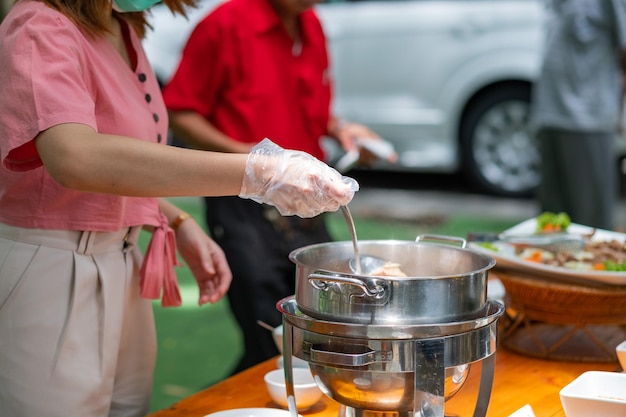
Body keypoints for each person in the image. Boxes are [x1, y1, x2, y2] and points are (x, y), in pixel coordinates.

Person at [0, 1, 359, 416]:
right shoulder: (38, 24)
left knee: (127, 407)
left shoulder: (123, 27)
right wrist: (257, 171)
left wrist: (174, 218)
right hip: (54, 263)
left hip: (123, 255)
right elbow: (75, 157)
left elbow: (122, 162)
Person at [162, 0, 394, 373]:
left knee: (322, 320)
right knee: (266, 332)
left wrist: (340, 129)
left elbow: (307, 106)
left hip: (306, 201)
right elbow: (181, 110)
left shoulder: (310, 23)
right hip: (244, 200)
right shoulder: (225, 24)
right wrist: (254, 163)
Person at [530, 0, 626, 230]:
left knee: (591, 229)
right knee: (551, 229)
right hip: (549, 112)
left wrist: (620, 110)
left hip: (588, 119)